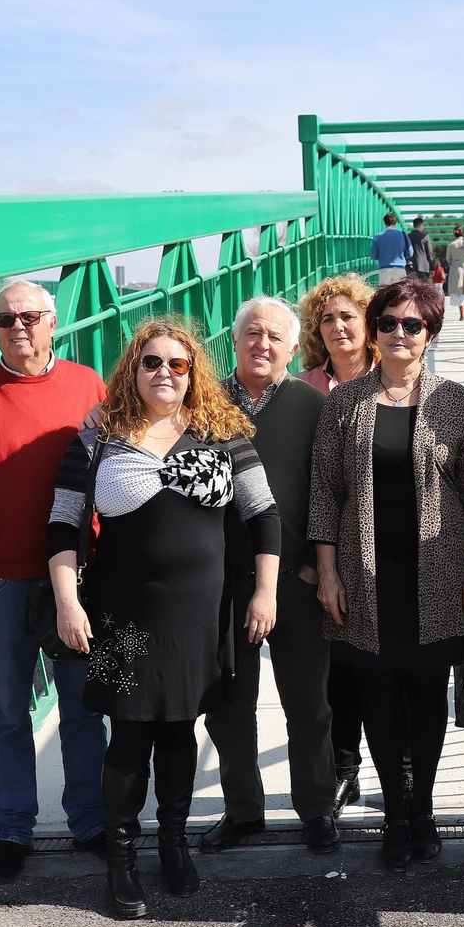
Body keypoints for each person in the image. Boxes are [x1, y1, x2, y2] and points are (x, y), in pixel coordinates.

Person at [49, 316, 280, 919]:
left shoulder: (223, 430)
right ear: (134, 369)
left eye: (177, 363)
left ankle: (175, 845)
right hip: (122, 614)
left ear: (193, 371)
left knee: (180, 729)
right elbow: (63, 523)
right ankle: (121, 862)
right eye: (151, 362)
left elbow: (264, 516)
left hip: (198, 613)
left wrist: (265, 592)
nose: (164, 373)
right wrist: (68, 601)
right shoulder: (99, 436)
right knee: (128, 735)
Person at [308, 277, 464, 872]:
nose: (398, 334)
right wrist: (329, 572)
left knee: (427, 697)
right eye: (388, 323)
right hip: (365, 574)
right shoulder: (346, 402)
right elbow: (324, 493)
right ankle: (395, 813)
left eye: (413, 325)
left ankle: (424, 810)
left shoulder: (455, 400)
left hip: (437, 574)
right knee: (379, 698)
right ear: (374, 330)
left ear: (430, 333)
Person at [0, 277, 110, 882]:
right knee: (8, 713)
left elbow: (116, 476)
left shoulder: (90, 386)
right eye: (5, 320)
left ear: (53, 320)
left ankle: (90, 820)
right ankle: (12, 828)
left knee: (84, 708)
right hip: (3, 585)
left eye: (30, 316)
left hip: (78, 582)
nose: (19, 328)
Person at [197, 297, 340, 856]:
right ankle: (243, 811)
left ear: (293, 347)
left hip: (296, 579)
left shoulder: (312, 403)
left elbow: (333, 489)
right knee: (229, 706)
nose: (263, 344)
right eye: (252, 333)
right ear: (234, 341)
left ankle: (316, 808)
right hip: (222, 581)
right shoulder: (204, 401)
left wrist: (321, 565)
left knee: (309, 702)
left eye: (275, 336)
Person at [294, 274, 390, 816]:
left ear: (369, 324)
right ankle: (342, 771)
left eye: (347, 316)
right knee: (336, 670)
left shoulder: (397, 380)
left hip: (388, 550)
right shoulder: (302, 390)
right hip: (324, 553)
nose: (337, 327)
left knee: (385, 666)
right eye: (326, 319)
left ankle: (398, 778)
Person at [443, 225, 464, 321]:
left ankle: (461, 313)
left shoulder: (451, 245)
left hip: (456, 270)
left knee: (459, 292)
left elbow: (448, 259)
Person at [370, 213, 413, 286]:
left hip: (384, 269)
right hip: (400, 269)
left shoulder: (378, 236)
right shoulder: (403, 235)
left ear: (385, 222)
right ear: (395, 222)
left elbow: (373, 256)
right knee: (399, 295)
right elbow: (410, 253)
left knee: (384, 295)